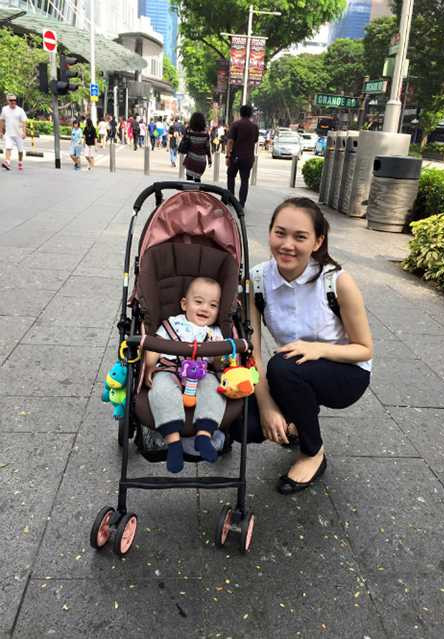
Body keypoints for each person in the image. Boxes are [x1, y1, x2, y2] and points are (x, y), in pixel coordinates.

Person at [230, 197, 373, 495]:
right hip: (294, 369)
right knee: (245, 425)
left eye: (300, 237)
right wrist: (268, 407)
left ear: (318, 241)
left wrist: (318, 349)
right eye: (280, 233)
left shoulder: (337, 282)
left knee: (283, 367)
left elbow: (364, 349)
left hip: (346, 373)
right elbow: (252, 352)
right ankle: (296, 420)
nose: (287, 245)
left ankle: (312, 452)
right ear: (269, 232)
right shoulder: (256, 280)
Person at [144, 277, 226, 473]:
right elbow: (155, 345)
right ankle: (173, 442)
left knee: (215, 390)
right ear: (184, 304)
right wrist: (149, 366)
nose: (205, 308)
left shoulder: (215, 332)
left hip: (202, 372)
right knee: (160, 390)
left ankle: (204, 435)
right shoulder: (172, 323)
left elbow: (219, 364)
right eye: (198, 302)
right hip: (170, 369)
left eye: (213, 305)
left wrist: (218, 356)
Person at [226, 104, 259, 208]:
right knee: (245, 180)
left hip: (235, 156)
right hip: (248, 157)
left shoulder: (235, 125)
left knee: (231, 176)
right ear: (250, 114)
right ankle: (242, 203)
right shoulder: (254, 127)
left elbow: (230, 141)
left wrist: (228, 156)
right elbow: (255, 141)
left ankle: (231, 199)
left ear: (240, 113)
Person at [0, 94, 27, 171]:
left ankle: (20, 162)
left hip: (19, 134)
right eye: (11, 100)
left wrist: (24, 132)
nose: (13, 102)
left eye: (14, 100)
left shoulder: (20, 110)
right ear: (8, 101)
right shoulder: (5, 109)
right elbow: (2, 120)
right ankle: (7, 162)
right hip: (9, 133)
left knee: (20, 150)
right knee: (8, 147)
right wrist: (1, 131)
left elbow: (24, 122)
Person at [182, 112, 212, 183]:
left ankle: (190, 190)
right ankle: (197, 189)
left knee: (189, 181)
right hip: (201, 161)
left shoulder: (189, 131)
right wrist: (209, 159)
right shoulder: (205, 133)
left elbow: (184, 142)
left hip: (190, 159)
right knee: (197, 180)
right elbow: (207, 147)